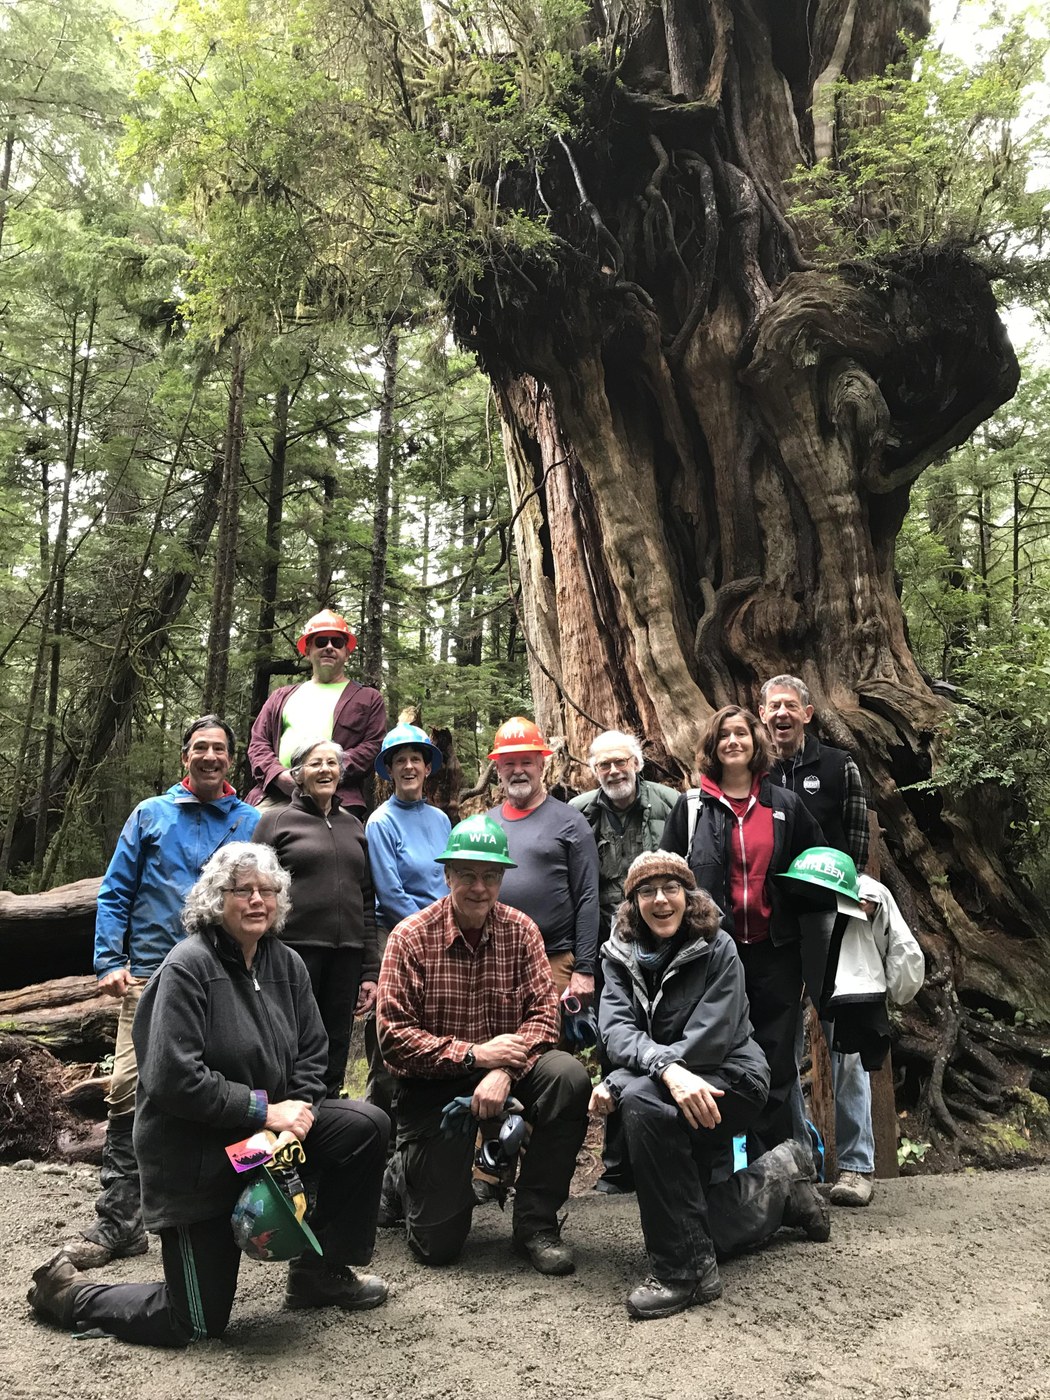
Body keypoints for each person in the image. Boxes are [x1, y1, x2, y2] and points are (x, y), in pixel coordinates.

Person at [28, 844, 390, 1346]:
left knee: (364, 1126)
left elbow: (314, 1052)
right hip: (198, 1163)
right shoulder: (187, 968)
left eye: (268, 891)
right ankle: (70, 1294)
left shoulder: (285, 963)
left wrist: (297, 1110)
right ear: (217, 900)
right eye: (244, 891)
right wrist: (264, 1109)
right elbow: (174, 1080)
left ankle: (318, 1273)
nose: (258, 901)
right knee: (195, 1323)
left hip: (262, 1146)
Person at [593, 851, 829, 1320]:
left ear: (689, 895)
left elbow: (710, 1036)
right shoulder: (618, 954)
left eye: (672, 888)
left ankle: (686, 1272)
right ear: (632, 902)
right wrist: (661, 1070)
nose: (661, 900)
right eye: (646, 891)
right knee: (697, 1219)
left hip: (733, 1079)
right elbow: (615, 1029)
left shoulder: (718, 947)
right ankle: (783, 1178)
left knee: (639, 1101)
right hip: (671, 1086)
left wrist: (628, 1078)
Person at [60, 716, 259, 1271]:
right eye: (200, 748)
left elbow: (265, 896)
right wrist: (108, 960)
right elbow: (116, 890)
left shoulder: (249, 821)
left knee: (230, 1087)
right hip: (149, 975)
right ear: (184, 758)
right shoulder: (151, 814)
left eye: (219, 749)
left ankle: (235, 1210)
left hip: (226, 978)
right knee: (128, 1086)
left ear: (231, 759)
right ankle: (120, 1221)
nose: (210, 757)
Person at [375, 814, 591, 1275]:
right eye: (468, 875)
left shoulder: (521, 930)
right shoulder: (410, 938)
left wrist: (501, 1069)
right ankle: (402, 1173)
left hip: (504, 1070)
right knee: (438, 1247)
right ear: (447, 875)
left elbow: (543, 1017)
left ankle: (536, 1224)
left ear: (502, 878)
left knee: (567, 1077)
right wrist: (473, 1055)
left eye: (491, 876)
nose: (480, 887)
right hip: (433, 1085)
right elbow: (393, 1037)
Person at [660, 705, 823, 1158]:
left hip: (775, 951)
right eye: (724, 735)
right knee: (713, 1052)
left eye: (742, 734)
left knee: (775, 1056)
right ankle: (716, 1164)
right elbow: (666, 872)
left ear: (756, 743)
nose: (734, 741)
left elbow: (816, 863)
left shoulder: (784, 805)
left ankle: (774, 1164)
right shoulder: (692, 807)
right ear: (713, 747)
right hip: (712, 954)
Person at [759, 673, 875, 1206]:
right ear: (762, 714)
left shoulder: (837, 766)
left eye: (790, 705)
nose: (780, 713)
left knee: (844, 1042)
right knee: (778, 1046)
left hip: (828, 921)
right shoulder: (754, 773)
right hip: (772, 927)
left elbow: (853, 849)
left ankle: (856, 1165)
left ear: (808, 713)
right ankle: (801, 1159)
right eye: (771, 705)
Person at [568, 729, 678, 1194]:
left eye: (621, 762)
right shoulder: (579, 814)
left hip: (665, 940)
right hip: (607, 949)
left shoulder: (672, 804)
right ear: (593, 771)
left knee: (666, 1038)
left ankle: (670, 1154)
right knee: (615, 1045)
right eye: (604, 765)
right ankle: (617, 1167)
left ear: (638, 763)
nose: (613, 771)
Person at [253, 738, 380, 1096]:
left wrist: (369, 970)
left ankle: (327, 1120)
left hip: (347, 954)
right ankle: (281, 1121)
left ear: (341, 772)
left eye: (332, 763)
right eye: (315, 764)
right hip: (291, 952)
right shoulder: (275, 822)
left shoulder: (354, 825)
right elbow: (255, 891)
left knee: (335, 1041)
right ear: (297, 774)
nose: (325, 770)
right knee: (289, 1038)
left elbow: (366, 897)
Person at [365, 723, 451, 1119]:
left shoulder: (440, 820)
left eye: (416, 758)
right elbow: (389, 891)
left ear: (428, 767)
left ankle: (428, 1114)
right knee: (392, 1026)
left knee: (437, 1019)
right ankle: (379, 1122)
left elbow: (449, 880)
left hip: (441, 931)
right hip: (397, 934)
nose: (410, 766)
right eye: (401, 760)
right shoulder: (381, 822)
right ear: (390, 770)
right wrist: (430, 929)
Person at [486, 717, 599, 1002]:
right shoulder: (487, 824)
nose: (518, 771)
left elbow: (588, 896)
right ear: (498, 769)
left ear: (542, 765)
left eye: (527, 762)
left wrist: (584, 967)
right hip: (494, 961)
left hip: (554, 959)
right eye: (509, 763)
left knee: (550, 1045)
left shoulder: (570, 821)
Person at [246, 608, 387, 819]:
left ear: (347, 652)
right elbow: (258, 743)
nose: (329, 647)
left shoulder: (368, 698)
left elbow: (372, 746)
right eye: (321, 642)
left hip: (338, 797)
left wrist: (323, 772)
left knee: (333, 848)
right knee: (250, 842)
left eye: (337, 643)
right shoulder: (281, 696)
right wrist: (279, 775)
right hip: (276, 795)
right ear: (308, 649)